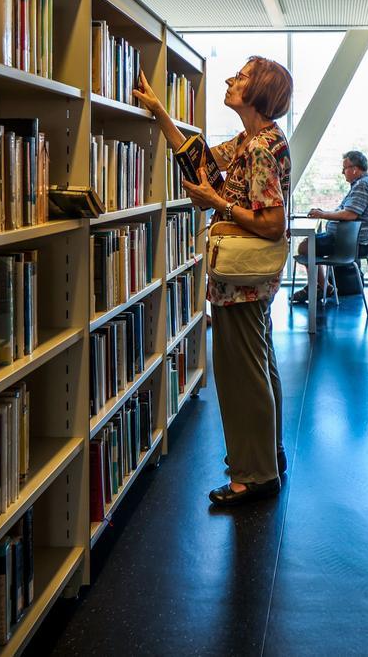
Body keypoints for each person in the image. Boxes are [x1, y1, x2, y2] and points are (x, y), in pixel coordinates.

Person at [133, 57, 292, 506]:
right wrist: (163, 114)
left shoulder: (259, 148)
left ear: (259, 91)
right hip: (251, 280)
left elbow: (272, 223)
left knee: (241, 376)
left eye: (241, 77)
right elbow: (198, 158)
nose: (230, 80)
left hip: (240, 280)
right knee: (260, 365)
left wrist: (215, 202)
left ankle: (253, 475)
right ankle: (270, 455)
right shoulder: (254, 140)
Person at [291, 150, 368, 303]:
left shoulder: (363, 185)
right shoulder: (361, 184)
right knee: (308, 245)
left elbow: (349, 215)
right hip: (346, 240)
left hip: (349, 244)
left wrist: (322, 214)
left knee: (305, 247)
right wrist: (324, 214)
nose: (342, 172)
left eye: (345, 168)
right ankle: (321, 286)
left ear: (354, 169)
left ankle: (321, 287)